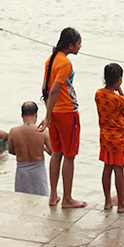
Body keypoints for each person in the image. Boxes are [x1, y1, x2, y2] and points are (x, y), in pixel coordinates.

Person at [36, 27, 86, 208]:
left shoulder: (51, 60)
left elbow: (45, 88)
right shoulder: (65, 63)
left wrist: (49, 114)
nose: (80, 46)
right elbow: (54, 90)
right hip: (66, 112)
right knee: (69, 156)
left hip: (55, 112)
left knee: (56, 153)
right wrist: (47, 117)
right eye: (78, 43)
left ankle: (53, 196)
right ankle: (67, 199)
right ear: (70, 45)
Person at [95, 63, 124, 213]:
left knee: (107, 168)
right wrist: (120, 90)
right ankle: (121, 204)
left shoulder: (98, 94)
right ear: (119, 80)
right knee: (119, 170)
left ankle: (107, 201)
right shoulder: (119, 99)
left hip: (105, 137)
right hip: (119, 139)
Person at [8, 101, 52, 196]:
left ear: (21, 115)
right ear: (36, 115)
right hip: (38, 169)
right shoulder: (42, 131)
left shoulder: (13, 132)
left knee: (22, 198)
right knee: (41, 198)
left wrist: (21, 152)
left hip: (22, 169)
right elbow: (53, 152)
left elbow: (10, 150)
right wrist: (42, 148)